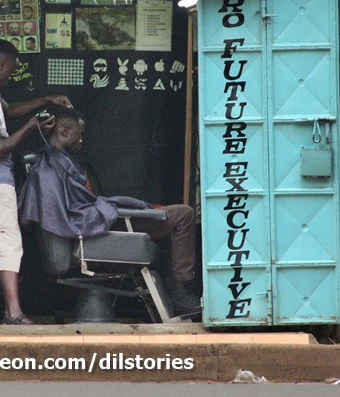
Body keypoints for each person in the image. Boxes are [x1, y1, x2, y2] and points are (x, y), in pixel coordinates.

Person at [17, 108, 202, 316]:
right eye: (80, 134)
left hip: (98, 222)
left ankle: (175, 284)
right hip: (99, 226)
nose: (81, 140)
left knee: (167, 213)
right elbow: (73, 215)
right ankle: (179, 289)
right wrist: (110, 209)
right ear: (64, 131)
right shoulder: (50, 168)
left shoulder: (55, 163)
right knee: (184, 214)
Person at [0, 38, 73, 325]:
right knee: (8, 244)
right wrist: (31, 128)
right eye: (9, 71)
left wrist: (46, 100)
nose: (10, 77)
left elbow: (7, 111)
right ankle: (14, 312)